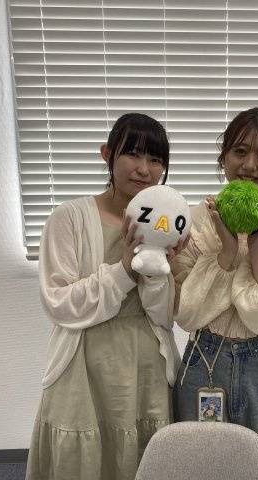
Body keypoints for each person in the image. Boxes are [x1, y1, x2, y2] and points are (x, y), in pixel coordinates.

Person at [26, 113, 184, 480]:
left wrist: (157, 271)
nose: (144, 169)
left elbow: (163, 316)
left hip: (146, 364)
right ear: (107, 154)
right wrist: (125, 270)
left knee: (144, 457)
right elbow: (59, 303)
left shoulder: (163, 222)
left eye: (155, 159)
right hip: (84, 366)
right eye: (132, 153)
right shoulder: (69, 218)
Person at [171, 107, 258, 478]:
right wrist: (226, 254)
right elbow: (185, 312)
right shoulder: (193, 222)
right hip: (203, 360)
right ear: (224, 157)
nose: (250, 165)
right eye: (240, 151)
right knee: (198, 470)